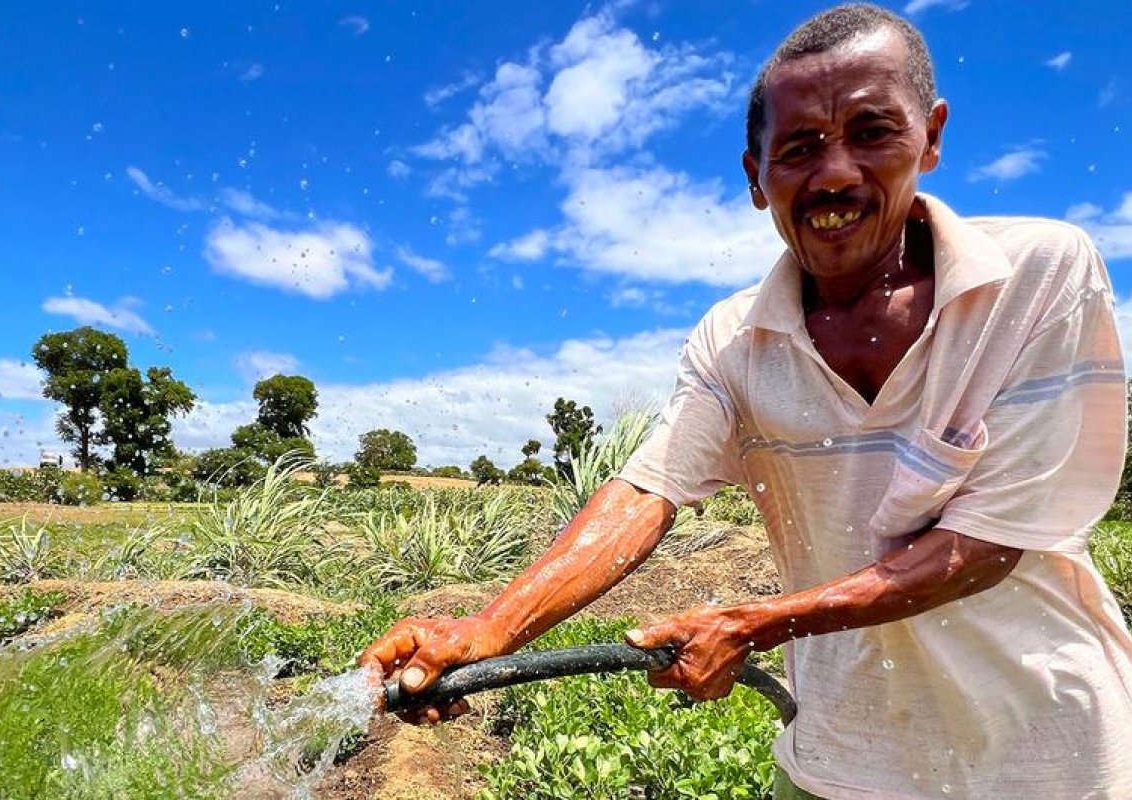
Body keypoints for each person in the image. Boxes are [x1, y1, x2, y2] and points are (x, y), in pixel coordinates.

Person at [362, 4, 1132, 798]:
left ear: (931, 137)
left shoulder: (1038, 276)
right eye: (798, 149)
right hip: (842, 756)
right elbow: (649, 489)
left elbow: (988, 544)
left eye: (872, 132)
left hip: (1046, 755)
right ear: (755, 178)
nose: (833, 173)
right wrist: (494, 628)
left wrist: (757, 622)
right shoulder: (733, 338)